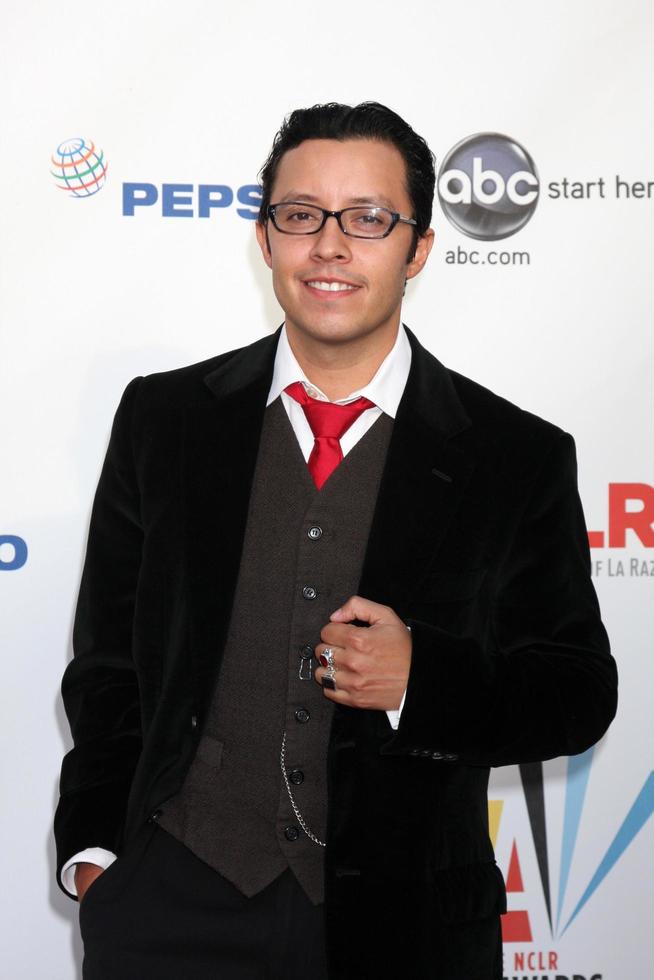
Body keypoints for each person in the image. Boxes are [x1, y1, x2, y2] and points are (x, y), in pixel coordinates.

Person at [55, 102, 618, 980]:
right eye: (301, 215)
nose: (329, 245)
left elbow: (577, 693)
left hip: (404, 927)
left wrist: (420, 681)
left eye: (367, 219)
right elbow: (109, 668)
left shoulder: (516, 456)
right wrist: (98, 851)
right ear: (266, 235)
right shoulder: (165, 420)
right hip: (170, 907)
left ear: (418, 248)